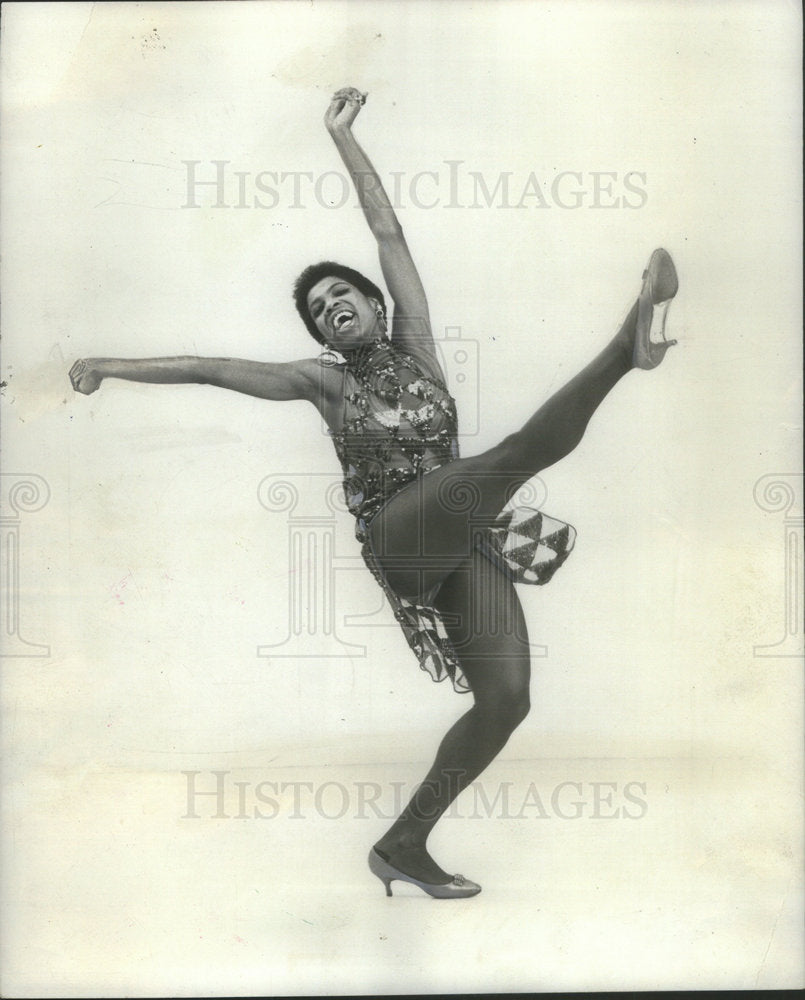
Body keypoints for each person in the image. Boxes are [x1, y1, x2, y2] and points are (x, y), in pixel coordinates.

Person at [70, 86, 679, 899]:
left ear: (374, 303)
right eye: (319, 313)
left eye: (341, 298)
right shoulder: (322, 384)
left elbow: (385, 228)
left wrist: (339, 136)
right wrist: (110, 365)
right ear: (320, 337)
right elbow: (211, 367)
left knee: (506, 702)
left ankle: (402, 845)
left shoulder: (417, 348)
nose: (332, 313)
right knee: (516, 453)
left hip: (460, 535)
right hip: (397, 535)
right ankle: (624, 344)